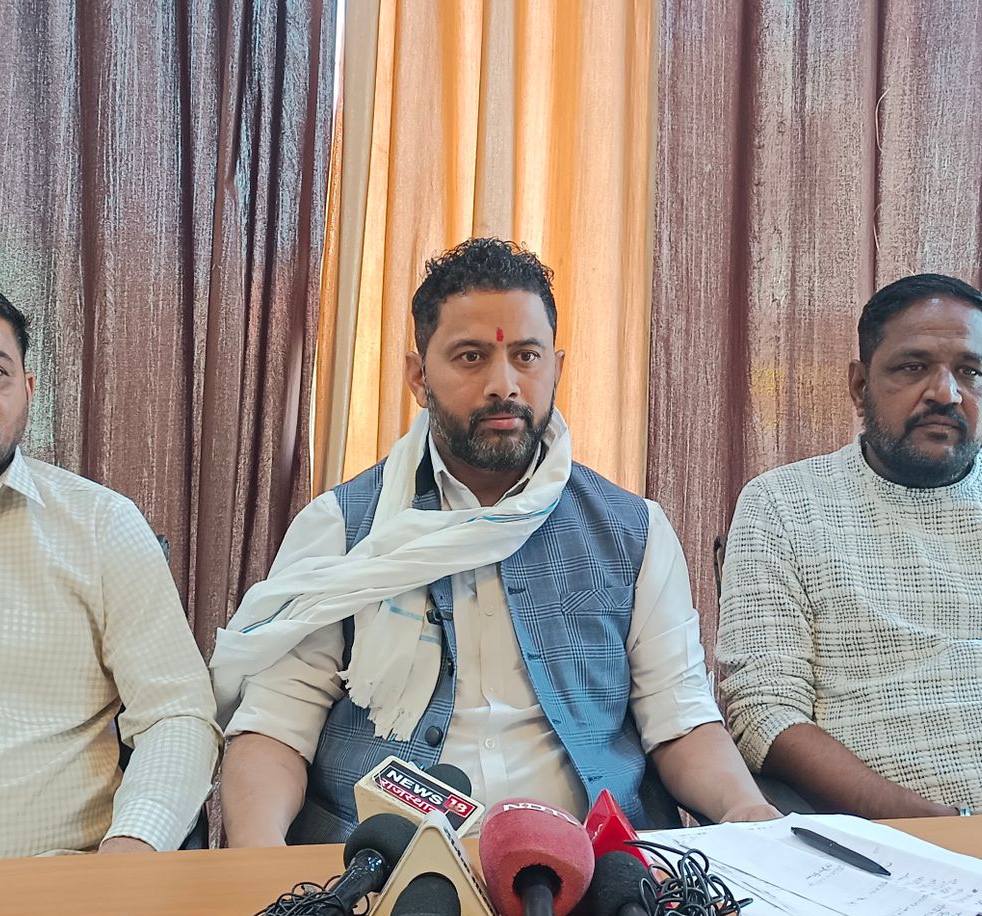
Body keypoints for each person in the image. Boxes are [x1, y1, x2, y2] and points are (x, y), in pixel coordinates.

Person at [213, 238, 776, 846]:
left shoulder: (632, 530)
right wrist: (259, 866)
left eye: (526, 356)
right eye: (471, 357)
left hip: (591, 867)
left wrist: (748, 811)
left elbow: (681, 720)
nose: (503, 385)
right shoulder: (344, 528)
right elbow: (276, 727)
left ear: (557, 367)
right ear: (418, 377)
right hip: (380, 868)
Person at [718, 273, 982, 818]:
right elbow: (765, 712)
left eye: (971, 372)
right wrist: (937, 832)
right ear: (860, 386)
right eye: (913, 367)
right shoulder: (785, 504)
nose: (946, 393)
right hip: (891, 841)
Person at [0, 283, 220, 857]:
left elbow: (176, 715)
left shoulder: (100, 524)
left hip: (54, 886)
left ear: (27, 391)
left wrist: (132, 850)